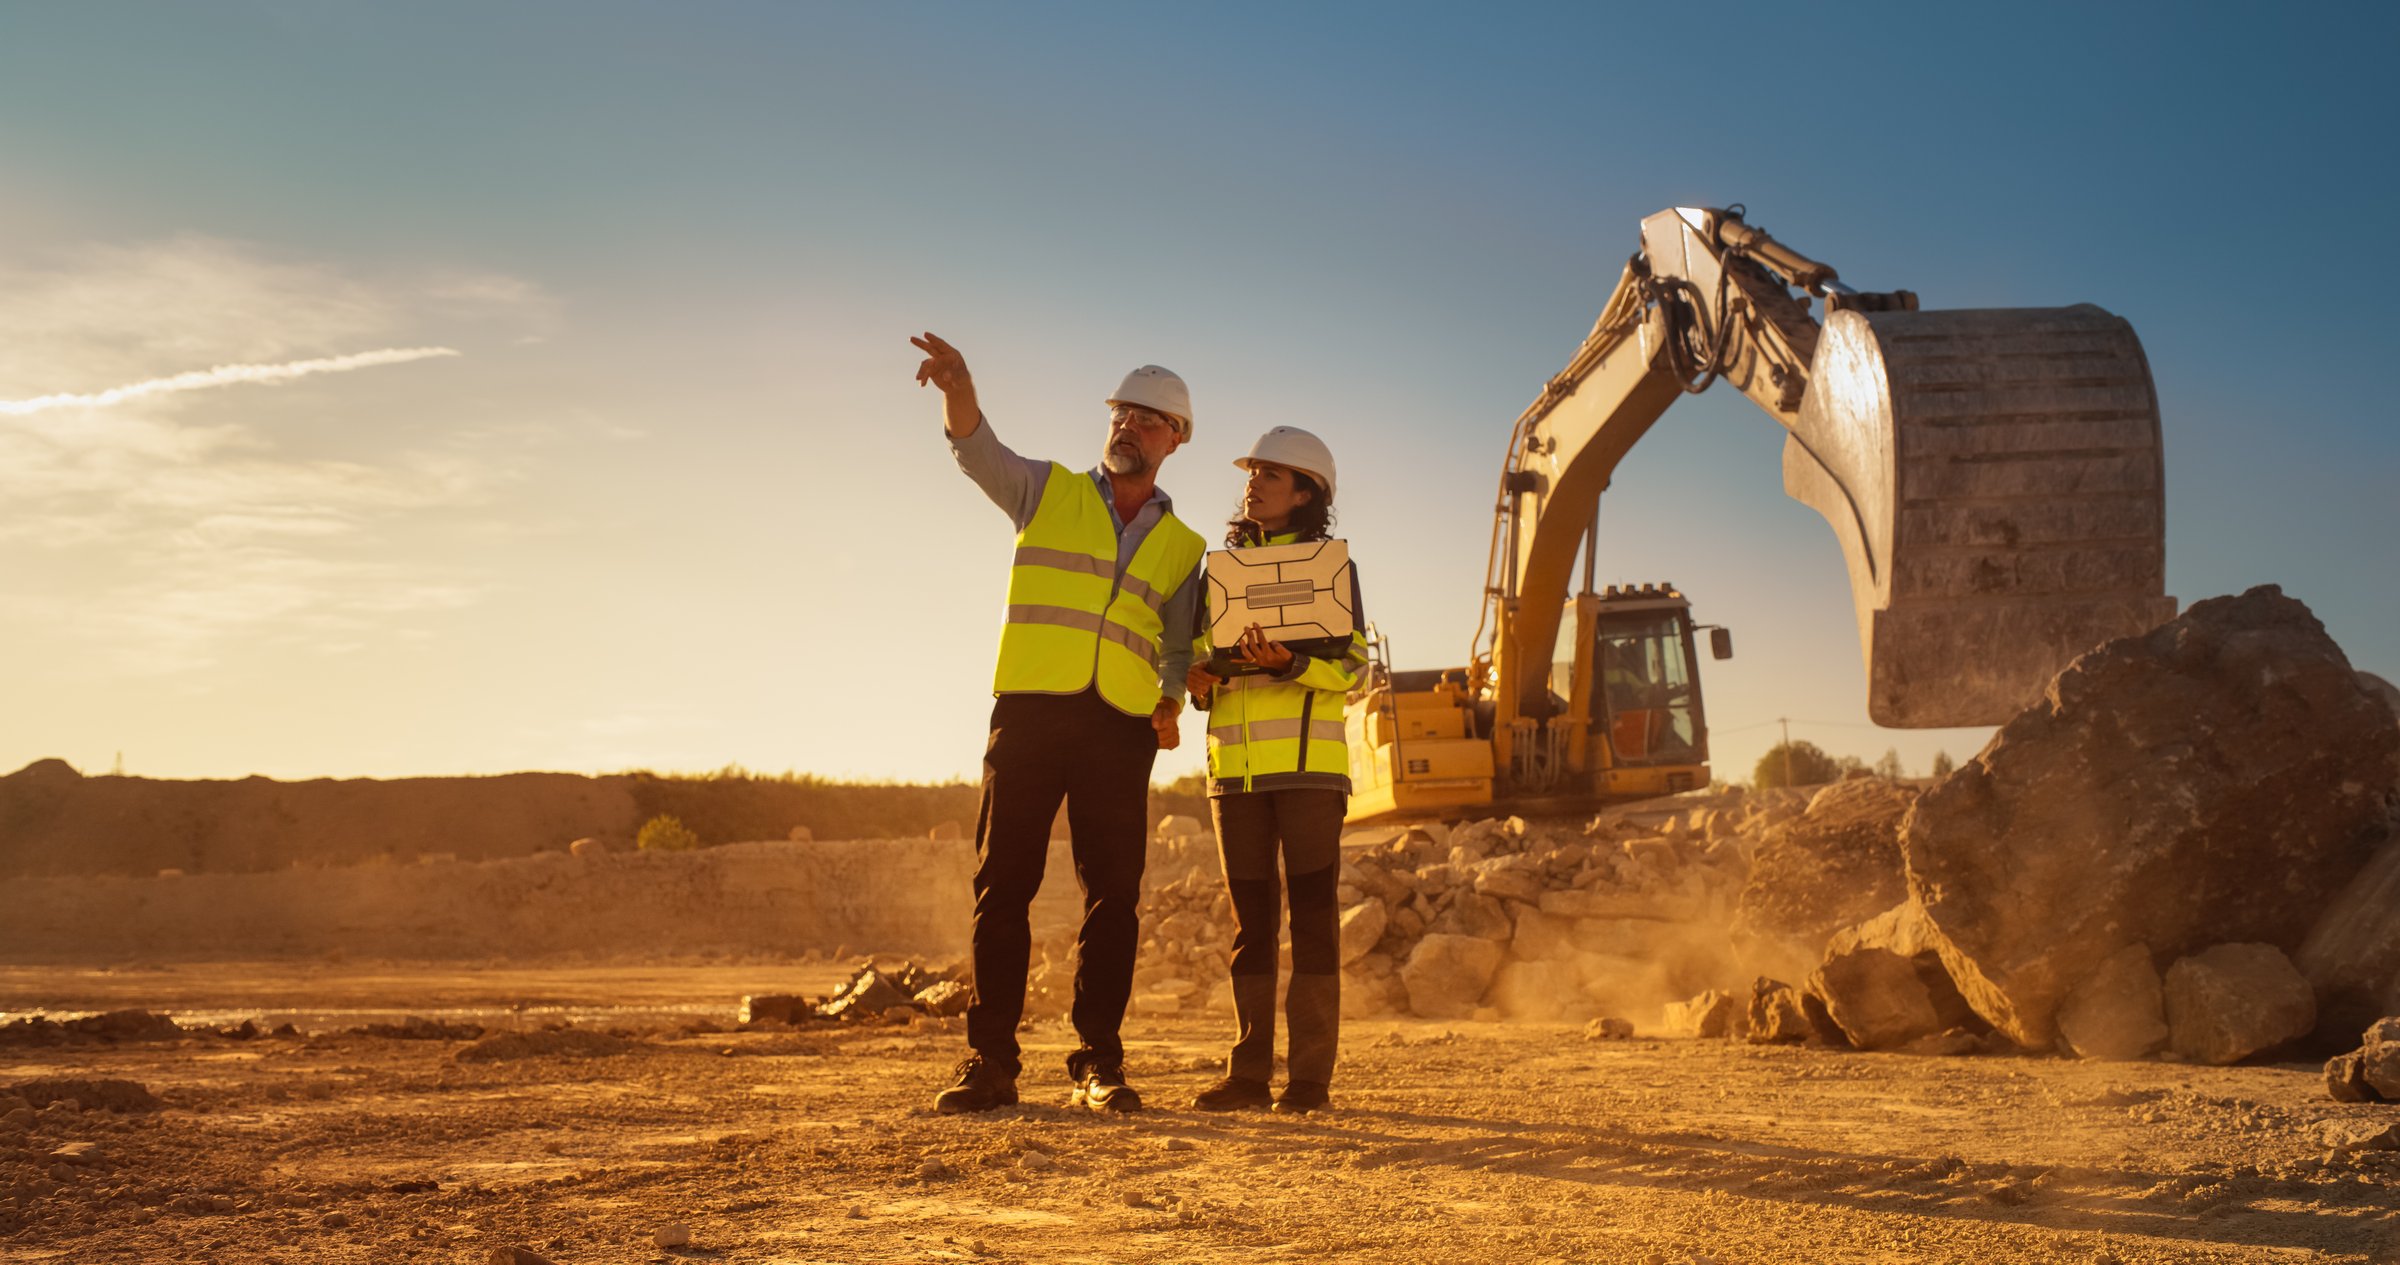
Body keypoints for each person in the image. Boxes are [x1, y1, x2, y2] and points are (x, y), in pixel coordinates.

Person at [911, 331, 1205, 1116]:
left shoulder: (1185, 547)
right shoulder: (1047, 491)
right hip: (1032, 710)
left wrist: (1171, 699)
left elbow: (1179, 644)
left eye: (1149, 420)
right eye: (1121, 412)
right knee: (1003, 884)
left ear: (1176, 438)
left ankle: (1097, 1064)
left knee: (1115, 896)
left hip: (1119, 725)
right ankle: (991, 1061)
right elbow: (978, 451)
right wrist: (959, 388)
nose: (1130, 427)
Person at [1183, 426, 1365, 1115]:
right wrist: (1199, 677)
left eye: (1270, 473)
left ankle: (1310, 1080)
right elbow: (1201, 663)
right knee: (1251, 926)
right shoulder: (1222, 572)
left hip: (1310, 774)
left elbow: (1354, 668)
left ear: (1306, 491)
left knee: (1314, 922)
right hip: (1236, 777)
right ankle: (1249, 1075)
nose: (1253, 481)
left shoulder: (1332, 571)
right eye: (1252, 471)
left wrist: (1290, 664)